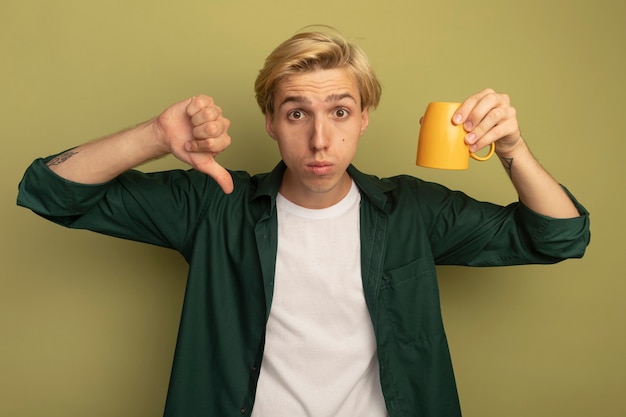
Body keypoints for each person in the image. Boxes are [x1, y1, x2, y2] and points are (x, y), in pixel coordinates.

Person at [17, 29, 590, 417]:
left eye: (339, 111)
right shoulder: (215, 204)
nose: (320, 139)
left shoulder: (410, 211)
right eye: (297, 113)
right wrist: (154, 137)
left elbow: (559, 235)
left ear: (364, 117)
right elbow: (50, 191)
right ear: (270, 121)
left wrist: (512, 147)